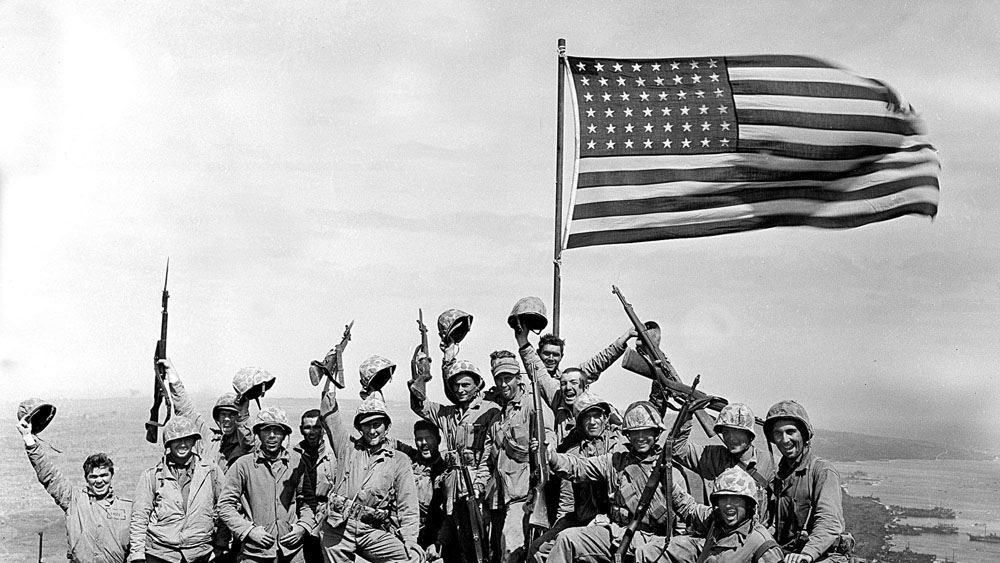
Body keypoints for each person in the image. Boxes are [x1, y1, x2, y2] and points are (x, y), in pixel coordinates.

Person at [542, 400, 703, 563]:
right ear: (627, 434)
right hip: (617, 533)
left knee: (645, 554)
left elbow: (683, 520)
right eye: (635, 432)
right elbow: (580, 466)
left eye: (646, 431)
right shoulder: (615, 462)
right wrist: (553, 457)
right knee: (567, 539)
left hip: (653, 542)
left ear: (656, 433)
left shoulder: (670, 471)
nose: (640, 438)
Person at [314, 380, 421, 563]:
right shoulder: (346, 448)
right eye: (366, 425)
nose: (372, 431)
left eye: (377, 424)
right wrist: (329, 379)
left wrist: (410, 540)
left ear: (386, 426)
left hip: (372, 531)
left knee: (411, 558)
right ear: (359, 428)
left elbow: (408, 506)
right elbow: (329, 415)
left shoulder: (399, 460)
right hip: (337, 527)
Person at [409, 351, 499, 563]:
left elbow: (490, 454)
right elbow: (420, 406)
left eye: (466, 385)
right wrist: (419, 376)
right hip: (454, 488)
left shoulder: (491, 410)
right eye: (456, 385)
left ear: (477, 385)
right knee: (457, 544)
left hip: (479, 487)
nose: (460, 390)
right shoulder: (449, 414)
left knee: (483, 545)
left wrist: (480, 486)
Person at [18, 406, 132, 563]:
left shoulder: (128, 508)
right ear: (86, 479)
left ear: (112, 475)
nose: (99, 481)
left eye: (104, 475)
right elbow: (49, 475)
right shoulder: (73, 501)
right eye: (93, 476)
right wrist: (28, 439)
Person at [474, 350, 554, 563]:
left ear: (519, 378)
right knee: (497, 551)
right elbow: (487, 460)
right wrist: (478, 485)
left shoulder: (532, 406)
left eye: (507, 378)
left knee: (512, 550)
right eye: (499, 379)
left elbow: (549, 436)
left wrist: (543, 448)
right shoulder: (498, 418)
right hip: (499, 498)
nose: (503, 384)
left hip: (523, 496)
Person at [527, 390, 621, 563]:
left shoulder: (619, 448)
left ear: (606, 418)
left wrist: (607, 518)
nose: (592, 422)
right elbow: (567, 498)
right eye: (587, 417)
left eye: (597, 416)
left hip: (614, 521)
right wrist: (559, 526)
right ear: (579, 423)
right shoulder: (573, 453)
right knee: (539, 549)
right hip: (582, 518)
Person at [218, 407, 317, 563]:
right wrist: (248, 530)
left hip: (292, 551)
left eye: (277, 431)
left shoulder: (297, 462)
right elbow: (225, 506)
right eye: (266, 430)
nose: (272, 436)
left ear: (284, 434)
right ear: (258, 434)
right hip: (255, 552)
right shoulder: (243, 465)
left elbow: (307, 502)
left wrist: (303, 527)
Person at [130, 415, 227, 563]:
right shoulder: (152, 476)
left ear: (194, 441)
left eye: (187, 439)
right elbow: (139, 517)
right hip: (160, 553)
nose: (182, 444)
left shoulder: (211, 471)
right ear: (168, 443)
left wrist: (220, 545)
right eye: (177, 440)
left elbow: (226, 508)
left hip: (200, 553)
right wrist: (137, 555)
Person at [635, 467, 783, 563]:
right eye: (723, 499)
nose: (728, 505)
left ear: (749, 504)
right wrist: (668, 483)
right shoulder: (716, 519)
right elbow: (690, 510)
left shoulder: (762, 545)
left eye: (736, 499)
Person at [765, 401, 851, 563]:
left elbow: (829, 522)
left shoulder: (822, 471)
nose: (785, 440)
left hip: (823, 555)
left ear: (804, 434)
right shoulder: (779, 476)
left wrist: (807, 553)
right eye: (778, 433)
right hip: (789, 554)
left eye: (791, 432)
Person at [672, 403, 774, 523]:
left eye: (737, 432)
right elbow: (677, 450)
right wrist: (687, 414)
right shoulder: (714, 457)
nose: (731, 438)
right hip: (720, 534)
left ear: (750, 435)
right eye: (726, 432)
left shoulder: (770, 463)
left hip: (755, 536)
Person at [162, 358, 255, 471]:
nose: (226, 419)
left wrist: (244, 412)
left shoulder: (247, 443)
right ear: (217, 418)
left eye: (231, 415)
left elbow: (249, 443)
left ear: (239, 418)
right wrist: (173, 377)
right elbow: (187, 410)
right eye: (223, 415)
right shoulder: (210, 439)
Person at [394, 420, 448, 560]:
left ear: (439, 440)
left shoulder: (446, 470)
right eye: (419, 439)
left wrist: (438, 543)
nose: (423, 443)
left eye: (428, 438)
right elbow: (390, 443)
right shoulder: (408, 461)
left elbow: (448, 513)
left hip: (431, 535)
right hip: (403, 531)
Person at [294, 409, 329, 563]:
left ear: (324, 430)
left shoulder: (334, 454)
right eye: (308, 427)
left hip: (328, 514)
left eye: (317, 427)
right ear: (301, 429)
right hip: (302, 511)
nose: (312, 432)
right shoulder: (294, 454)